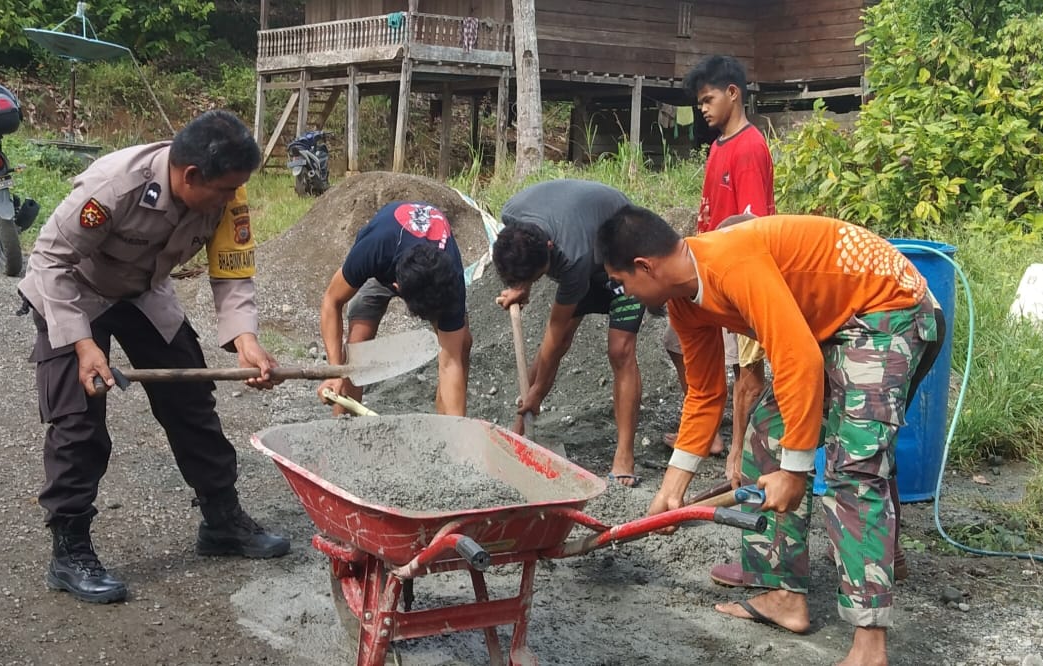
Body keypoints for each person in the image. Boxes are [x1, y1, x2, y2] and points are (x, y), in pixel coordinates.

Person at [597, 206, 944, 666]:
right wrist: (672, 487)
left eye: (621, 282)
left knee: (854, 470)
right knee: (765, 435)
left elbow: (798, 358)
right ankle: (782, 594)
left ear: (645, 267)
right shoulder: (685, 303)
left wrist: (795, 470)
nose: (624, 294)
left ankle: (869, 646)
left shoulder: (732, 262)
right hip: (829, 322)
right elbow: (704, 393)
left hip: (887, 307)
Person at [18, 110, 291, 605]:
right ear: (190, 176)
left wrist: (245, 339)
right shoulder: (115, 187)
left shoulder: (228, 192)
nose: (232, 199)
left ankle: (222, 520)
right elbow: (49, 260)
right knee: (78, 421)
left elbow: (232, 272)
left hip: (143, 292)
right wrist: (83, 345)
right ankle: (70, 549)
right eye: (225, 190)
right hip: (74, 293)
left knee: (190, 401)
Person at [492, 179, 645, 487]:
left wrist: (537, 392)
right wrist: (521, 288)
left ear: (548, 251)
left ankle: (625, 454)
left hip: (628, 257)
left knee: (620, 350)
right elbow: (521, 255)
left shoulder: (571, 258)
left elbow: (555, 334)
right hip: (589, 244)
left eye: (532, 279)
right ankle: (520, 431)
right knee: (554, 347)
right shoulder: (512, 215)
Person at [663, 54, 775, 465]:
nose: (704, 110)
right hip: (706, 270)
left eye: (708, 100)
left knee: (747, 371)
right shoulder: (717, 148)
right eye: (700, 104)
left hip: (738, 271)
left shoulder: (749, 148)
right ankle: (709, 429)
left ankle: (741, 455)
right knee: (677, 341)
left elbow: (753, 223)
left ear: (733, 93)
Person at [317, 201, 471, 416]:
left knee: (461, 346)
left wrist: (459, 438)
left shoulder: (450, 277)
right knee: (357, 349)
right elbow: (331, 302)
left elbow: (450, 363)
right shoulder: (373, 250)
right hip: (384, 263)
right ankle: (344, 429)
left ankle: (446, 430)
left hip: (433, 275)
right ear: (397, 288)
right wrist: (335, 371)